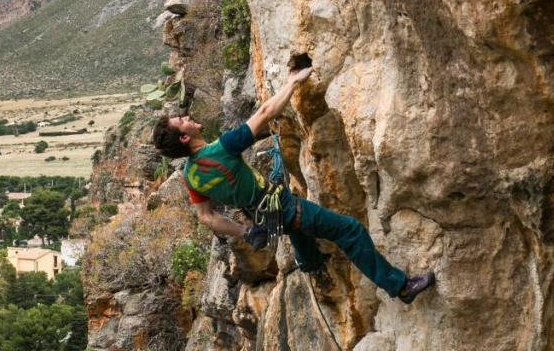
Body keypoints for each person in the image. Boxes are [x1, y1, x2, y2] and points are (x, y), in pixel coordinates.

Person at [151, 68, 435, 303]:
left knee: (296, 228)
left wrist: (245, 231)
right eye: (182, 120)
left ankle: (310, 263)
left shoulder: (191, 176)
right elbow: (264, 112)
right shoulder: (221, 149)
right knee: (350, 230)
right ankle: (400, 287)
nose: (187, 117)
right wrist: (291, 83)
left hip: (262, 217)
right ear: (185, 138)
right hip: (284, 207)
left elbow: (207, 216)